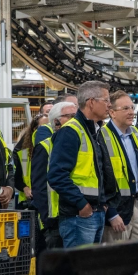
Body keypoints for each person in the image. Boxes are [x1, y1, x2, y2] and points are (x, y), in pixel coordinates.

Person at [48, 81, 116, 247]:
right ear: (91, 102)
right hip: (79, 215)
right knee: (77, 269)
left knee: (89, 269)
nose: (109, 105)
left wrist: (104, 203)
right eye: (106, 100)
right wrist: (81, 204)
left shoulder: (95, 130)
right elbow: (57, 175)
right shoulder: (71, 131)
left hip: (95, 211)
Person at [99, 91, 138, 243]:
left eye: (132, 107)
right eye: (125, 108)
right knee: (117, 260)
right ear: (112, 112)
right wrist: (110, 213)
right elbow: (101, 179)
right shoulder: (101, 136)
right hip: (116, 208)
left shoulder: (136, 134)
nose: (131, 112)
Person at [31, 101, 78, 251]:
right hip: (54, 220)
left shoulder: (80, 144)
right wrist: (47, 220)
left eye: (76, 116)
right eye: (69, 116)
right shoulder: (45, 147)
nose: (74, 120)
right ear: (56, 121)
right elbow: (39, 186)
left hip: (76, 215)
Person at [13, 114, 43, 209]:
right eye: (43, 127)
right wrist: (24, 188)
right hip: (28, 202)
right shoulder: (24, 154)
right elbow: (17, 179)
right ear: (34, 129)